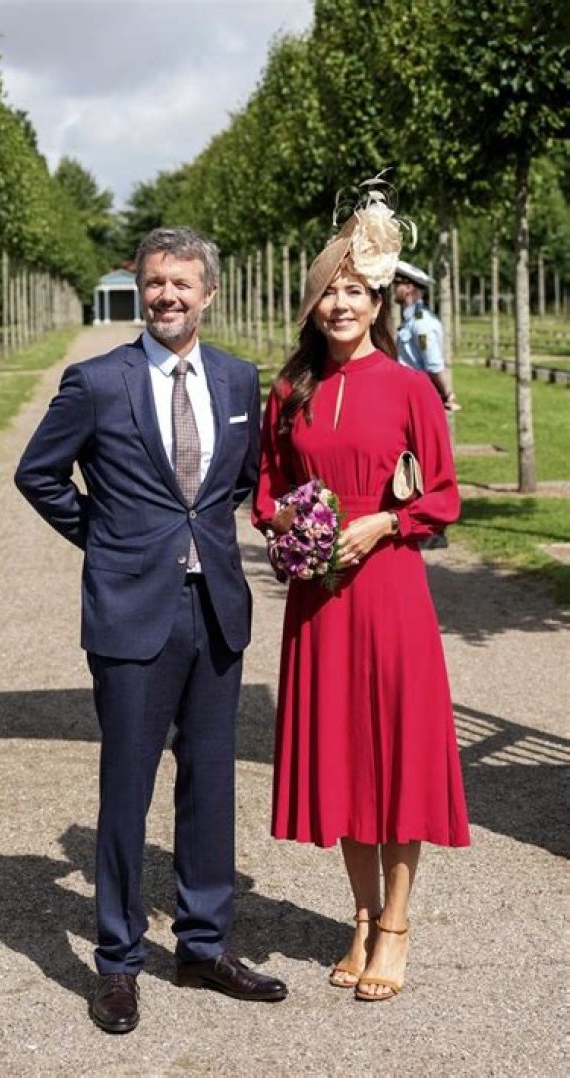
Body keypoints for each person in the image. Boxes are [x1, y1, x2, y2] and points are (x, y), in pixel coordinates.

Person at [15, 227, 287, 1034]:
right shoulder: (98, 381)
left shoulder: (239, 378)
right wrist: (108, 539)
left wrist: (194, 543)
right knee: (126, 791)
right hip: (131, 612)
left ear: (209, 294)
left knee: (211, 784)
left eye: (183, 283)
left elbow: (237, 480)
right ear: (140, 288)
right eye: (155, 282)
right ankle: (118, 961)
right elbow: (39, 474)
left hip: (216, 611)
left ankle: (204, 947)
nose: (168, 294)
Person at [252, 182, 470, 1003]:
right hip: (320, 601)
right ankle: (360, 912)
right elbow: (268, 489)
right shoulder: (291, 390)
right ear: (311, 305)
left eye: (353, 290)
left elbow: (442, 494)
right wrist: (288, 526)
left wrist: (383, 523)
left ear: (377, 297)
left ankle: (397, 926)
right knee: (343, 758)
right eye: (327, 292)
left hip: (390, 594)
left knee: (398, 756)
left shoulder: (411, 387)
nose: (339, 304)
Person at [394, 259, 461, 412]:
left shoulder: (422, 323)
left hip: (420, 399)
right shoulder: (412, 320)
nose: (394, 289)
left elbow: (433, 364)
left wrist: (447, 393)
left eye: (397, 284)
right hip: (409, 396)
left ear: (408, 288)